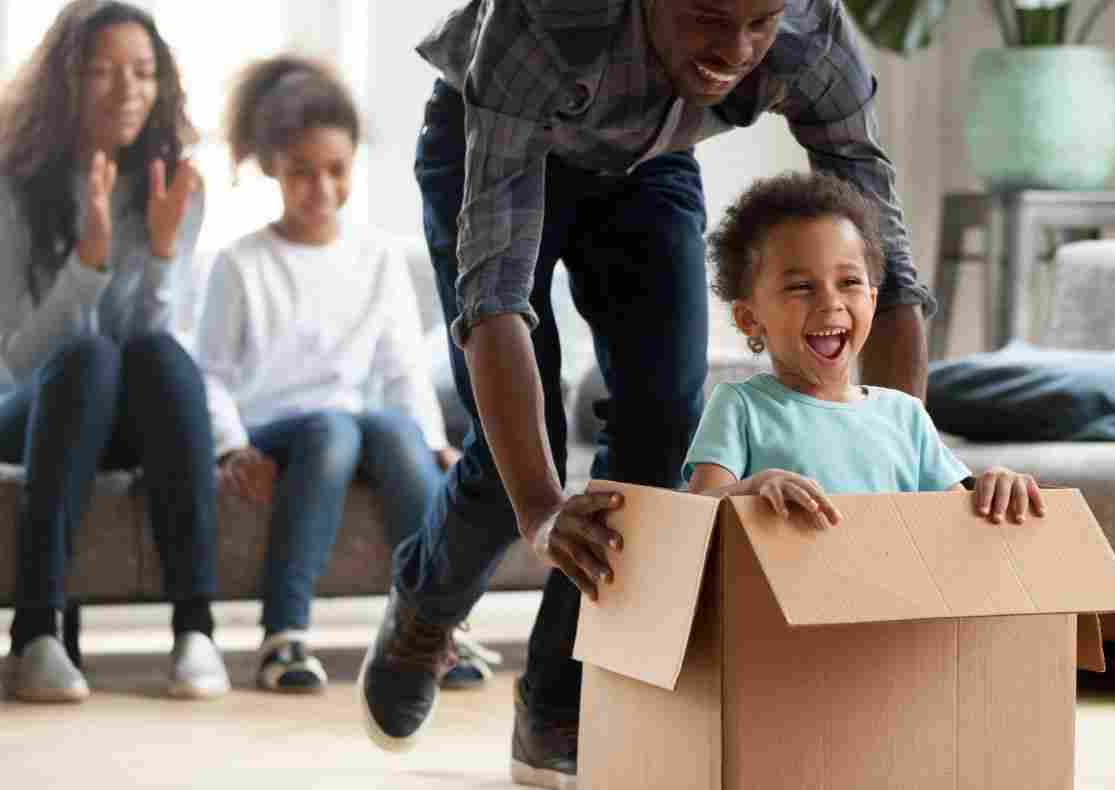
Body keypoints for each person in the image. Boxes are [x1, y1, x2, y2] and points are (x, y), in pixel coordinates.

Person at [359, 3, 934, 787]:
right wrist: (541, 509)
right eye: (706, 16)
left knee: (664, 428)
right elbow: (492, 301)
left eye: (757, 23)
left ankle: (558, 698)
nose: (735, 50)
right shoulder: (543, 28)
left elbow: (888, 269)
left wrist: (902, 486)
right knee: (514, 470)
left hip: (648, 163)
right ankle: (426, 611)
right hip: (491, 139)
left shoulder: (809, 31)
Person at [195, 55, 490, 695]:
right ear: (271, 166)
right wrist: (230, 446)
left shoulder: (378, 257)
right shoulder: (239, 264)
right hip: (275, 429)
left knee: (389, 429)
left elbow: (401, 367)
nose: (321, 188)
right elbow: (210, 375)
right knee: (335, 429)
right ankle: (284, 638)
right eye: (302, 172)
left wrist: (433, 441)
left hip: (351, 431)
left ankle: (433, 629)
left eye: (336, 170)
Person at [0, 0, 225, 702]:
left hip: (128, 411)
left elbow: (151, 338)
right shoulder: (15, 185)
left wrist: (158, 251)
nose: (127, 90)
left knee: (156, 354)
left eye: (142, 72)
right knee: (90, 359)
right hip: (32, 409)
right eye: (102, 72)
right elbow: (18, 359)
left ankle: (197, 629)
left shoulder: (176, 187)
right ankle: (35, 634)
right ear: (65, 83)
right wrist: (89, 262)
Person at [685, 172, 1045, 521]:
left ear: (872, 301)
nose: (830, 302)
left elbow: (955, 522)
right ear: (750, 318)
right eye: (800, 287)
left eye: (849, 282)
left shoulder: (905, 416)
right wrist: (751, 490)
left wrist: (996, 486)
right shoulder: (740, 407)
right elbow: (697, 516)